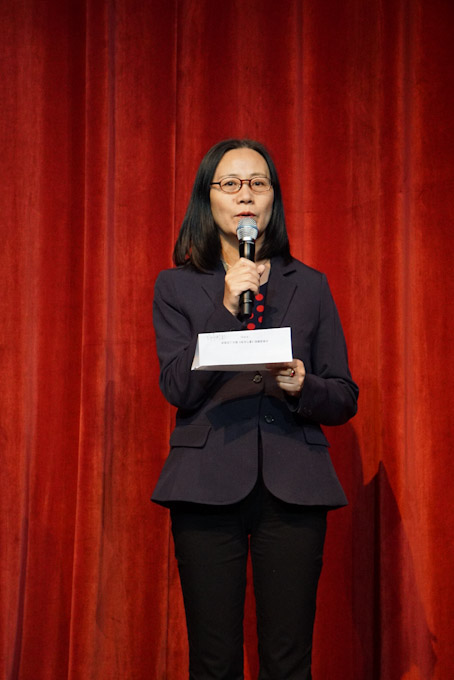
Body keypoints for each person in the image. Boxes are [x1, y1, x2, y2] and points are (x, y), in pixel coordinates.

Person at [152, 138, 358, 680]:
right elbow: (177, 387)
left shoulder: (309, 285)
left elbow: (344, 394)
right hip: (205, 481)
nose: (245, 195)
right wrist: (224, 307)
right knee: (213, 661)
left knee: (288, 660)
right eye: (230, 184)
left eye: (258, 183)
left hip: (294, 484)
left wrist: (303, 385)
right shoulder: (176, 286)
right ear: (208, 198)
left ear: (273, 199)